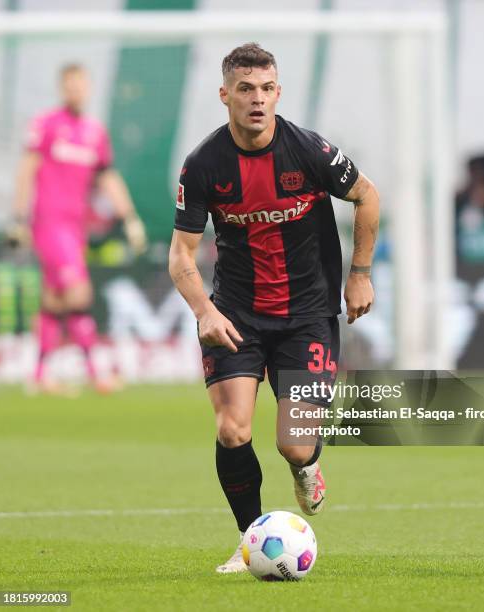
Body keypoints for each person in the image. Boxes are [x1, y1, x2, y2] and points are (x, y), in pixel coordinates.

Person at [169, 43, 379, 573]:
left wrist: (360, 274)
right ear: (225, 95)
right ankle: (250, 541)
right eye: (245, 89)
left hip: (308, 315)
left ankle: (308, 466)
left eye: (266, 89)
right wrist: (205, 312)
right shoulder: (204, 165)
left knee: (293, 443)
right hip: (236, 315)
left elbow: (368, 196)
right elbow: (182, 257)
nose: (257, 100)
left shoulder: (309, 151)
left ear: (278, 92)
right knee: (232, 429)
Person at [9, 63, 147, 393]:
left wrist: (129, 217)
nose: (75, 91)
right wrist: (17, 217)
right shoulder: (45, 124)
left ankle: (40, 374)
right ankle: (94, 372)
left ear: (88, 88)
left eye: (80, 85)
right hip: (48, 222)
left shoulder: (94, 132)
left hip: (74, 226)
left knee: (55, 299)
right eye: (69, 86)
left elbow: (108, 177)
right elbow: (27, 170)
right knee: (79, 292)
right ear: (62, 88)